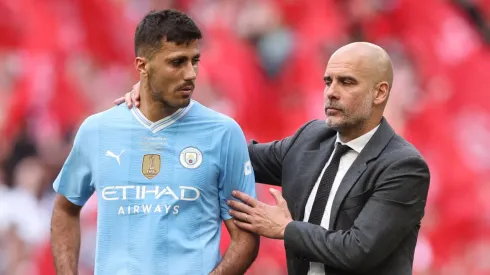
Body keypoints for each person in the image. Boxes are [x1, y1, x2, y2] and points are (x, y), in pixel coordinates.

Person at [118, 41, 431, 275]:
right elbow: (236, 157)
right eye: (328, 81)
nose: (331, 92)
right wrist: (167, 107)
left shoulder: (403, 166)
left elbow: (358, 250)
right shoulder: (312, 138)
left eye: (346, 82)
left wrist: (286, 229)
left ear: (380, 93)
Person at [51, 9, 259, 275]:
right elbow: (65, 210)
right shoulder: (97, 130)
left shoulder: (223, 133)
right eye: (177, 62)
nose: (191, 74)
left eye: (194, 60)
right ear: (142, 65)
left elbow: (246, 237)